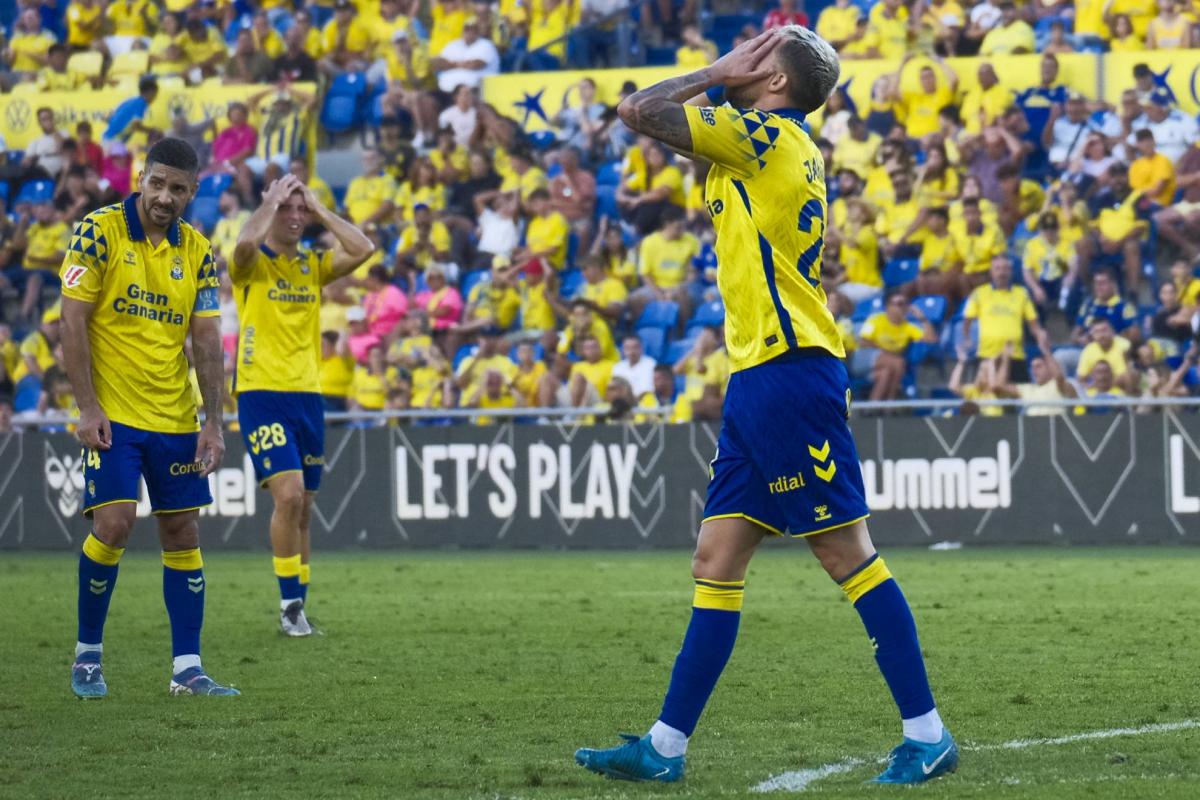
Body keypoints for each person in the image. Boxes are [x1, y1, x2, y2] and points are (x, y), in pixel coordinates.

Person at [574, 28, 957, 786]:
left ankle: (928, 733)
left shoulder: (761, 137)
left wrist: (713, 71)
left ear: (776, 82)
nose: (745, 57)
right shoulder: (770, 141)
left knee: (845, 553)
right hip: (757, 375)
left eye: (761, 53)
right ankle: (664, 749)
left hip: (791, 371)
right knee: (716, 558)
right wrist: (724, 80)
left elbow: (637, 109)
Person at [59, 138, 236, 699]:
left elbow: (207, 343)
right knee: (113, 525)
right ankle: (88, 657)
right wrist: (87, 406)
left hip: (176, 419)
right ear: (141, 177)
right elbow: (71, 321)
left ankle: (188, 670)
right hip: (113, 417)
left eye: (178, 188)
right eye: (157, 183)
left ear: (193, 191)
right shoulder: (98, 230)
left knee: (183, 531)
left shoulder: (200, 251)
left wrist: (214, 421)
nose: (165, 196)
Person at [231, 174, 374, 637]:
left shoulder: (313, 264)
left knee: (305, 507)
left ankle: (300, 607)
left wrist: (319, 208)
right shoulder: (253, 265)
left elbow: (364, 248)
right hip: (260, 391)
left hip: (308, 395)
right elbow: (242, 247)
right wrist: (271, 202)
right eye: (286, 210)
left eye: (299, 211)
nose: (294, 218)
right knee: (288, 495)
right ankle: (289, 606)